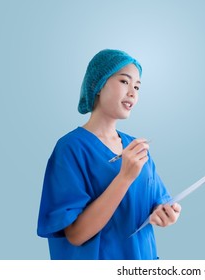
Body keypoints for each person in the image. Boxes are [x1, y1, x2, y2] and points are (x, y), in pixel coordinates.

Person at [37, 49, 181, 260]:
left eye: (137, 87)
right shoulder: (71, 148)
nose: (133, 92)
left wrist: (166, 213)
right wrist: (125, 177)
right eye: (124, 81)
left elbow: (159, 202)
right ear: (98, 84)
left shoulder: (137, 148)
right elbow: (76, 235)